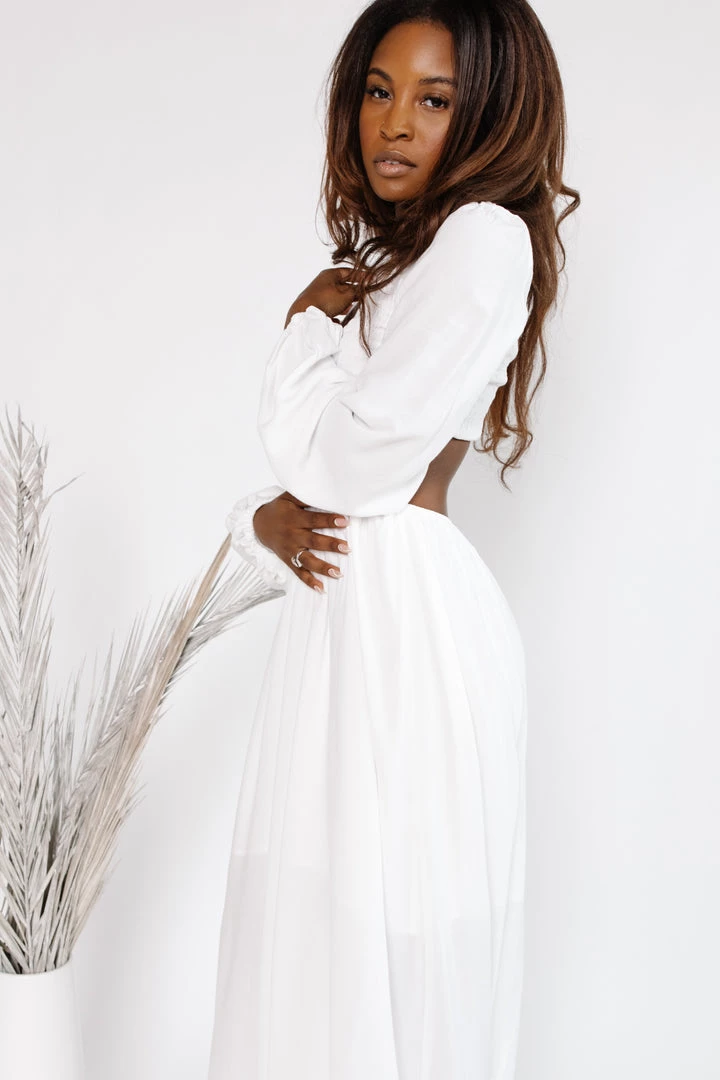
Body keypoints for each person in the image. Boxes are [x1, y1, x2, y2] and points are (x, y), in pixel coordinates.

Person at [208, 2, 579, 1077]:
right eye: (380, 90)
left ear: (490, 113)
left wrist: (301, 327)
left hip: (407, 629)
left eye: (435, 98)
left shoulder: (484, 239)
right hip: (348, 614)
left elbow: (351, 457)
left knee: (395, 940)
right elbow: (338, 471)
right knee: (322, 940)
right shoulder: (398, 261)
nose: (397, 122)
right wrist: (260, 517)